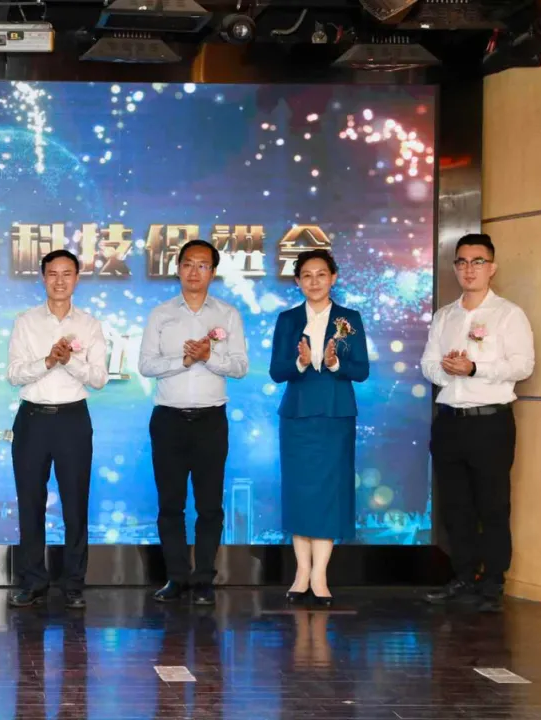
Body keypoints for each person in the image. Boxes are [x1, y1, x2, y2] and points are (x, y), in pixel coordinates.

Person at [421, 233, 534, 613]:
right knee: (456, 507)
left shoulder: (508, 314)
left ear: (492, 268)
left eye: (478, 262)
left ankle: (493, 583)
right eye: (462, 262)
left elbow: (523, 365)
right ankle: (464, 576)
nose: (469, 269)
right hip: (449, 422)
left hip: (490, 423)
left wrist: (474, 368)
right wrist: (449, 369)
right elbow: (428, 364)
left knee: (493, 505)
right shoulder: (445, 316)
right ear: (455, 267)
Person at [138, 239, 248, 606]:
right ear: (178, 269)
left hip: (210, 421)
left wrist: (208, 356)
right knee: (170, 505)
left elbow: (240, 366)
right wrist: (184, 361)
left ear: (213, 272)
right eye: (187, 263)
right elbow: (146, 365)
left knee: (209, 505)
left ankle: (203, 580)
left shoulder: (228, 314)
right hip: (168, 420)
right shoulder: (161, 314)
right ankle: (176, 577)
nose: (194, 271)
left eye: (202, 265)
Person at [6, 249, 109, 609]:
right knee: (30, 503)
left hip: (72, 420)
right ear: (43, 277)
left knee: (75, 503)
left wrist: (70, 362)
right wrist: (49, 360)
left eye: (67, 274)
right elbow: (14, 374)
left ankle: (74, 583)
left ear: (77, 278)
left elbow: (99, 378)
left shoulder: (90, 324)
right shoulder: (26, 321)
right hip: (33, 419)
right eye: (53, 274)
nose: (60, 281)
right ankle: (33, 581)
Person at [268, 249, 369, 607]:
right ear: (297, 281)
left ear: (333, 278)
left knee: (329, 493)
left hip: (335, 416)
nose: (314, 281)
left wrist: (335, 362)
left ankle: (320, 576)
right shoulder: (287, 319)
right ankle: (301, 573)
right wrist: (300, 361)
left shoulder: (349, 318)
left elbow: (362, 370)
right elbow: (276, 371)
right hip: (297, 417)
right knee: (300, 492)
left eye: (321, 274)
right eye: (307, 275)